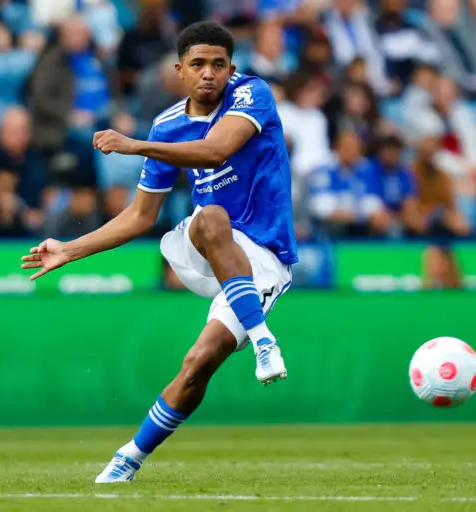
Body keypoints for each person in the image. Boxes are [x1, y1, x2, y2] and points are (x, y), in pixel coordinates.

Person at [19, 22, 297, 483]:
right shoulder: (168, 124)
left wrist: (135, 146)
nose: (208, 73)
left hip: (264, 255)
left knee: (198, 363)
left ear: (231, 69)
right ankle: (263, 338)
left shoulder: (252, 94)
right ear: (179, 70)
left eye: (218, 65)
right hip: (206, 243)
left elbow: (215, 152)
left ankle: (128, 457)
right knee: (211, 216)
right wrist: (69, 249)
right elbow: (139, 216)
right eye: (198, 64)